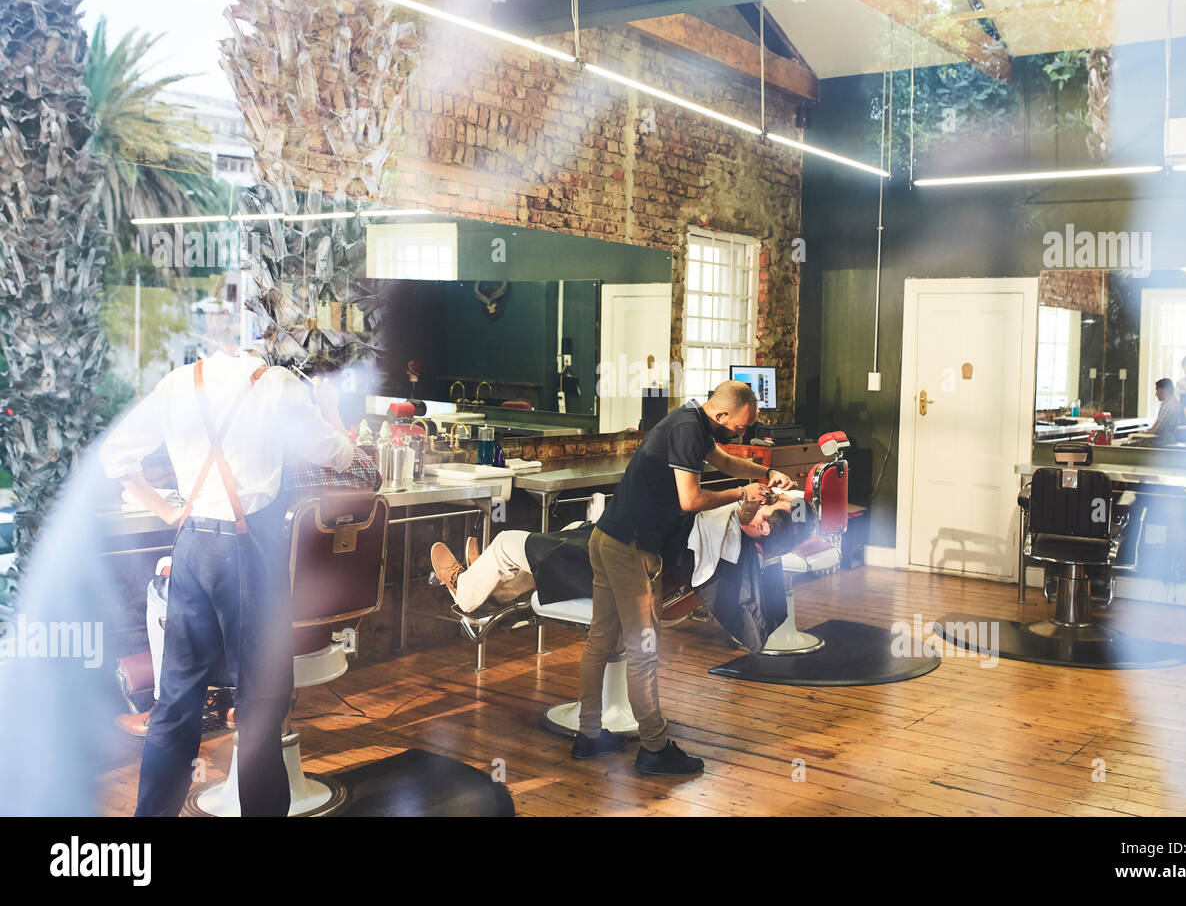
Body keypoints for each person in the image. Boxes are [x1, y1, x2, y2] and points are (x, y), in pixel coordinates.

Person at [98, 334, 357, 817]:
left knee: (175, 704)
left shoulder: (178, 383)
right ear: (260, 340)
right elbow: (337, 455)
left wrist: (167, 512)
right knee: (261, 705)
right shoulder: (277, 384)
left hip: (193, 544)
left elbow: (115, 456)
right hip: (250, 551)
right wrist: (330, 406)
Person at [572, 380, 794, 776]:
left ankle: (589, 735)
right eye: (742, 426)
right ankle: (654, 748)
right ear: (722, 414)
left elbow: (724, 462)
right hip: (631, 550)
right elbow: (689, 500)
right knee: (643, 649)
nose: (744, 432)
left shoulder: (690, 421)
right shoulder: (688, 429)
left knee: (601, 640)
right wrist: (741, 495)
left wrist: (767, 471)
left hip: (605, 538)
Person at [430, 495, 796, 614]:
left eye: (765, 506)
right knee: (571, 530)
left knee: (508, 539)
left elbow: (690, 501)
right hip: (636, 568)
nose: (757, 499)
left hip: (616, 568)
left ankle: (465, 589)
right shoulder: (731, 542)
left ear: (763, 528)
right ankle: (493, 589)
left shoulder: (724, 525)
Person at [1151, 378, 1182, 445]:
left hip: (1162, 443)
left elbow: (1157, 430)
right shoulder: (1175, 403)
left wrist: (1139, 435)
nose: (1156, 394)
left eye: (1157, 390)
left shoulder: (1168, 406)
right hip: (1171, 441)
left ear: (1165, 391)